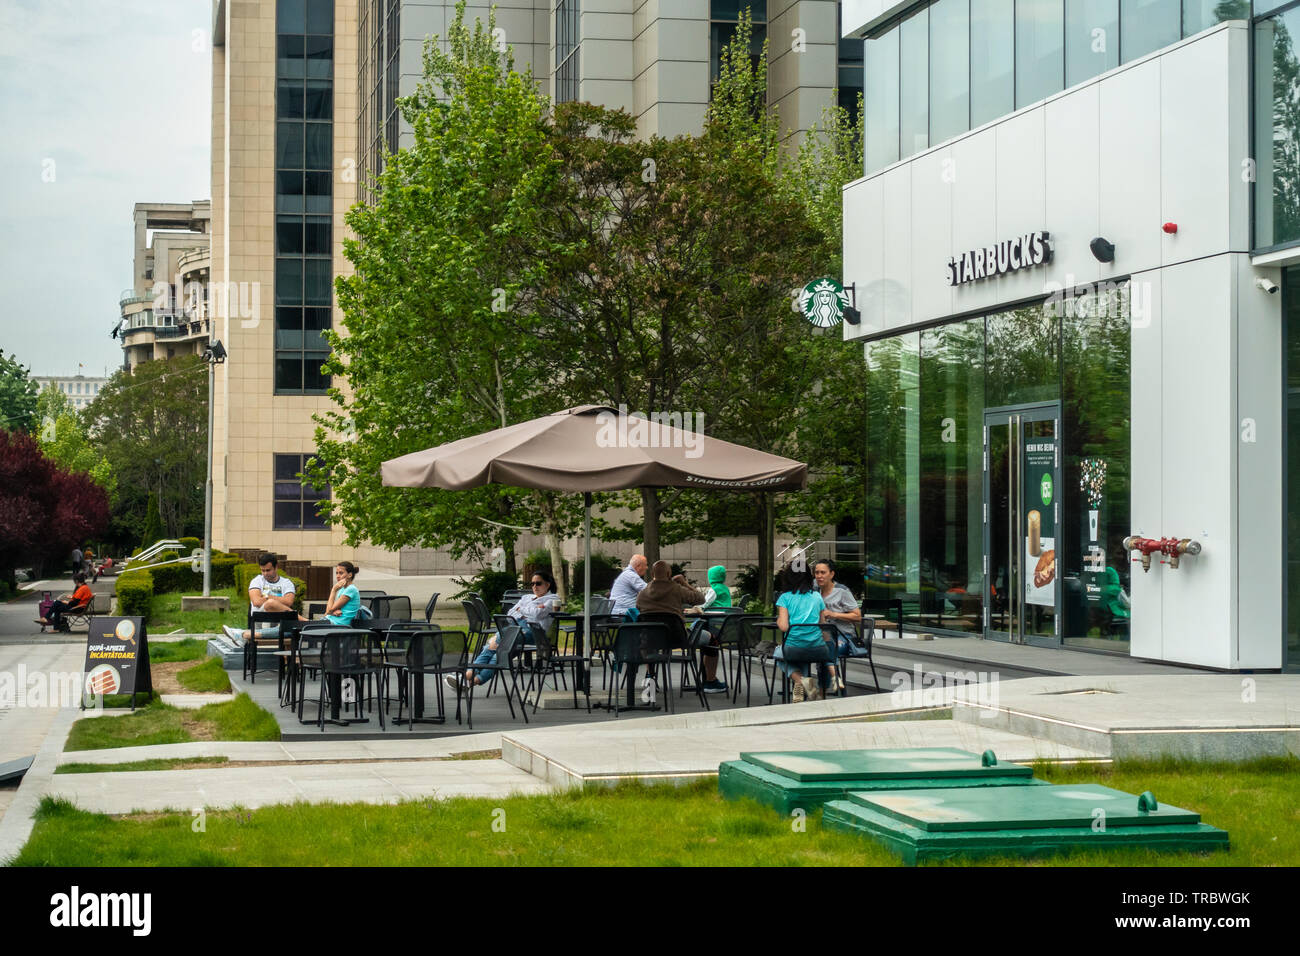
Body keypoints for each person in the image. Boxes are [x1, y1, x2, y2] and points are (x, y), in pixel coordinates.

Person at [448, 570, 560, 693]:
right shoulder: (526, 597)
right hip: (515, 628)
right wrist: (528, 610)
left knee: (493, 645)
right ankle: (470, 681)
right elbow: (510, 613)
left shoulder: (552, 599)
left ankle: (464, 677)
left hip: (534, 633)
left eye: (538, 583)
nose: (534, 586)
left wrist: (521, 609)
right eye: (532, 584)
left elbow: (538, 614)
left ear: (547, 584)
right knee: (499, 654)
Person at [635, 560, 727, 699]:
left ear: (652, 574)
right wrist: (684, 583)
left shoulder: (642, 593)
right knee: (712, 639)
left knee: (649, 639)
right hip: (678, 637)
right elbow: (701, 599)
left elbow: (639, 609)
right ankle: (710, 681)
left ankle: (650, 676)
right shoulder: (676, 589)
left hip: (652, 640)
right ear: (668, 573)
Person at [774, 562, 830, 702]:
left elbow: (784, 627)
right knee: (804, 654)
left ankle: (800, 680)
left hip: (794, 649)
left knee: (776, 652)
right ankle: (805, 690)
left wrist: (778, 620)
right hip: (818, 649)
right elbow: (823, 625)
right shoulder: (817, 596)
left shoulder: (785, 598)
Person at [222, 552, 298, 644]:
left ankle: (242, 634)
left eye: (268, 570)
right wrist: (278, 601)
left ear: (276, 567)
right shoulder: (257, 581)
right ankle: (304, 621)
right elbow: (256, 602)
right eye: (262, 570)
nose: (265, 574)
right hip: (260, 621)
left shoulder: (286, 583)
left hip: (280, 621)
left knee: (271, 604)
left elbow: (289, 602)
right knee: (270, 604)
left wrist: (267, 597)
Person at [814, 559, 863, 693]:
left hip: (844, 636)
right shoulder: (814, 591)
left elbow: (857, 616)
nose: (819, 576)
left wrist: (834, 614)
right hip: (821, 635)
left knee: (826, 648)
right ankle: (813, 686)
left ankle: (823, 690)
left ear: (832, 574)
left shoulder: (842, 591)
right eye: (817, 572)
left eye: (823, 572)